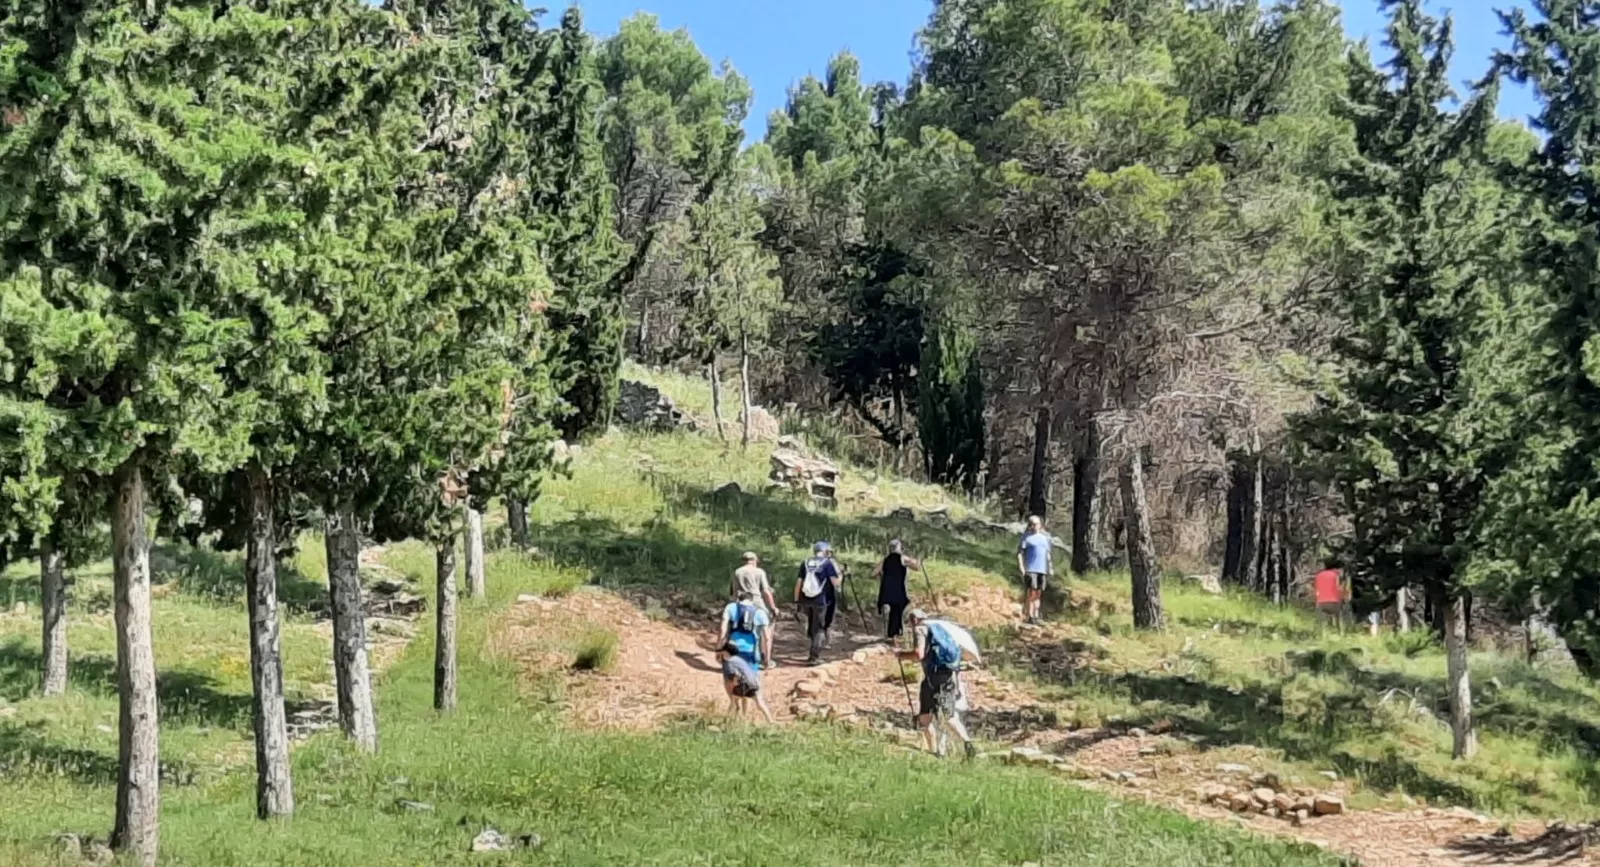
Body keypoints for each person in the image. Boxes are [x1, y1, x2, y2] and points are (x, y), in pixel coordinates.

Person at [897, 609, 976, 760]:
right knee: (949, 715)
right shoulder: (940, 630)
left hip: (932, 679)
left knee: (925, 716)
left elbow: (918, 654)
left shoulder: (920, 630)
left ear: (914, 619)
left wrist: (901, 655)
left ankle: (933, 752)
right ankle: (968, 744)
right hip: (948, 677)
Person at [794, 541, 841, 666]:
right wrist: (841, 575)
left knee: (812, 623)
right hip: (820, 599)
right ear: (825, 551)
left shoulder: (805, 562)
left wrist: (796, 600)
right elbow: (836, 583)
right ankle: (814, 656)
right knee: (819, 628)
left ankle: (812, 644)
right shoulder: (827, 563)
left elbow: (799, 582)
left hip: (805, 599)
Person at [732, 552, 779, 667]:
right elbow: (766, 591)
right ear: (754, 560)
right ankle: (766, 659)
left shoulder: (736, 572)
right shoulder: (759, 572)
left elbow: (733, 592)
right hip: (757, 604)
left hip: (740, 604)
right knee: (767, 628)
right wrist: (773, 607)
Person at [872, 540, 921, 644]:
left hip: (886, 590)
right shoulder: (902, 558)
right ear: (899, 548)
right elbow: (917, 567)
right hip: (898, 590)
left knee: (894, 611)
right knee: (898, 610)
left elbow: (873, 573)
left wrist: (880, 574)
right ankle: (895, 633)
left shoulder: (885, 560)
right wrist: (915, 561)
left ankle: (894, 633)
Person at [717, 642, 775, 723]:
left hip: (744, 684)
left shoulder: (729, 662)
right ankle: (771, 721)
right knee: (760, 703)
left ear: (726, 652)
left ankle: (725, 721)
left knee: (733, 702)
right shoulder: (738, 660)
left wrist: (733, 689)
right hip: (754, 683)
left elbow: (734, 676)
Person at [718, 590, 772, 669]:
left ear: (738, 600)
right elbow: (767, 638)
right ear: (752, 601)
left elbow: (723, 630)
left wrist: (718, 649)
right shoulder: (760, 612)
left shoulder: (730, 607)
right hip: (752, 655)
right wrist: (767, 660)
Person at [1016, 515, 1053, 625]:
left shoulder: (1045, 538)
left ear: (1040, 525)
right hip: (1031, 569)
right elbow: (1020, 553)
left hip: (1042, 570)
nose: (1034, 526)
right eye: (1031, 524)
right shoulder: (1026, 538)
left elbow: (1048, 554)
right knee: (1031, 592)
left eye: (1035, 524)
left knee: (1038, 593)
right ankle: (1030, 615)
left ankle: (1036, 615)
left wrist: (1050, 567)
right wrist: (1022, 567)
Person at [1314, 558, 1348, 632]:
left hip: (1321, 602)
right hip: (1334, 602)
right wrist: (1344, 597)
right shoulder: (1335, 575)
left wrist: (1317, 602)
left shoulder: (1318, 575)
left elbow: (1317, 591)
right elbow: (1339, 588)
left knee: (1323, 620)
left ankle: (1324, 634)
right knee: (1340, 616)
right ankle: (1341, 632)